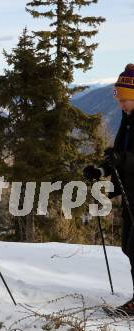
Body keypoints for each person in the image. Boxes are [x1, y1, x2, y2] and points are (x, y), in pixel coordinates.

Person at [83, 63, 134, 315]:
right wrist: (102, 170)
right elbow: (118, 155)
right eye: (119, 98)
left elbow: (126, 157)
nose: (120, 104)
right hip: (130, 193)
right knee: (127, 246)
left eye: (124, 99)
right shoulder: (127, 121)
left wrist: (122, 160)